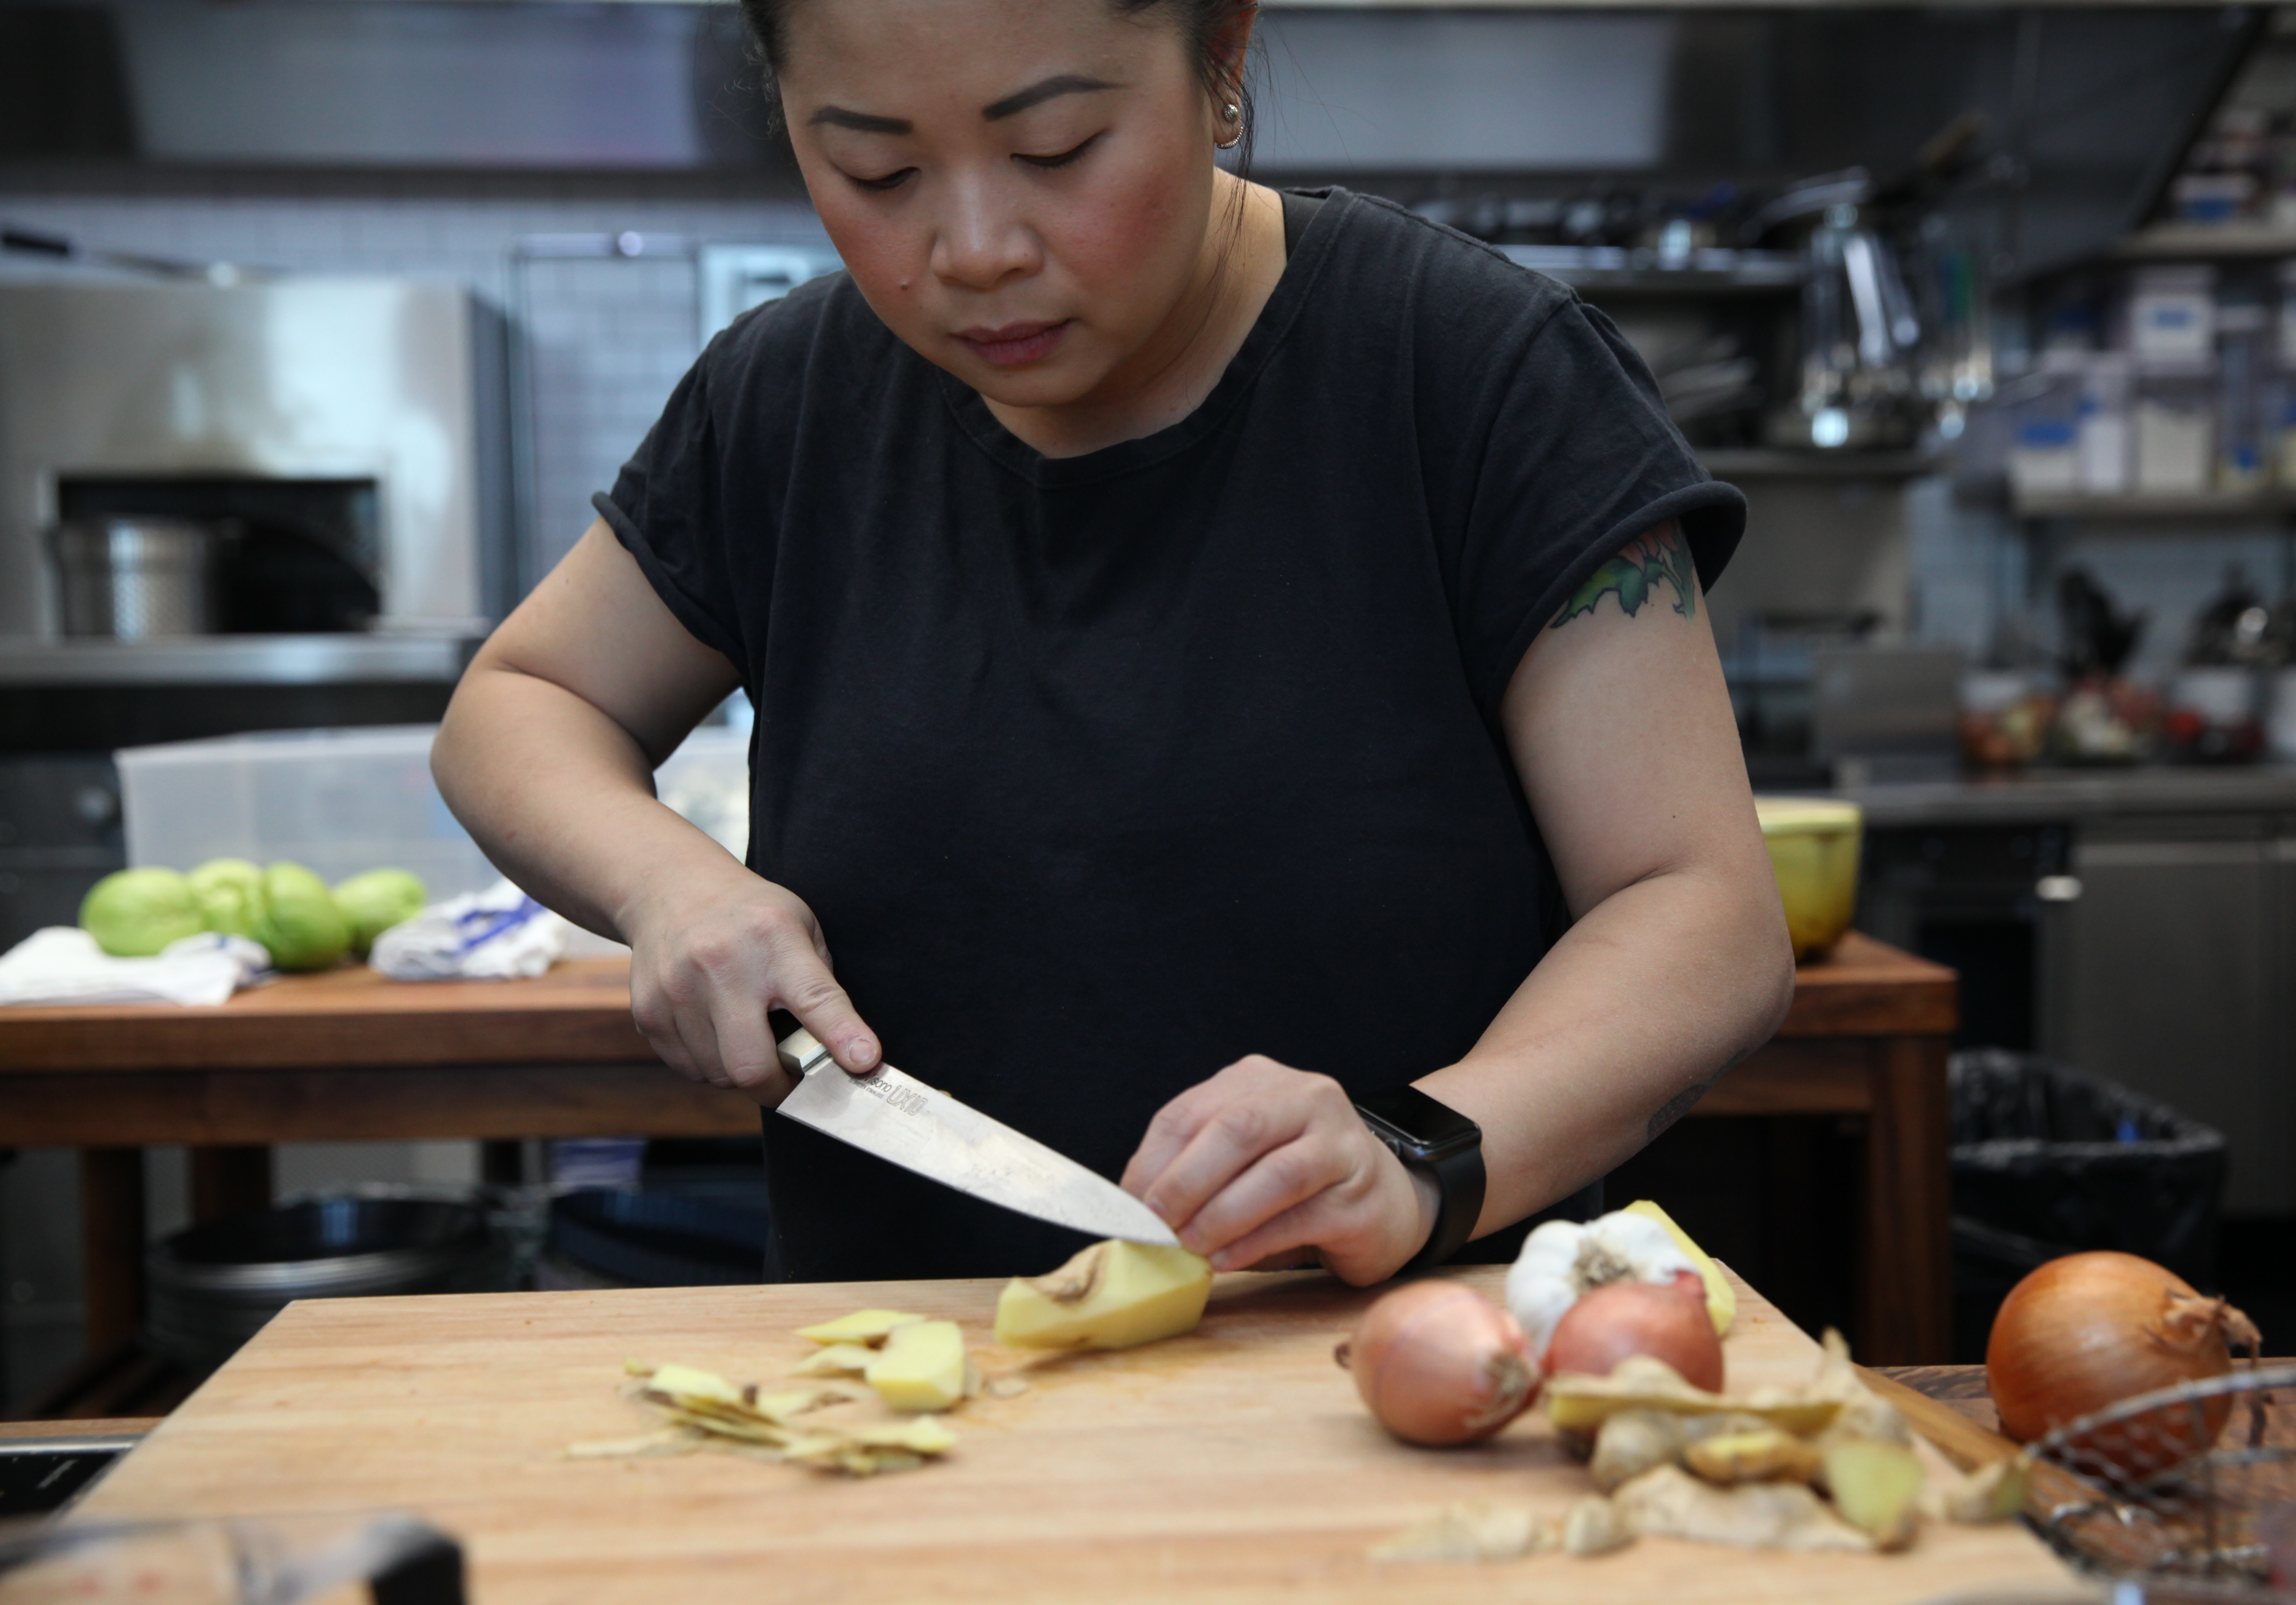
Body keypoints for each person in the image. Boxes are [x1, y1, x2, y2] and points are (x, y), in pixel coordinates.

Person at [431, 0, 1793, 1290]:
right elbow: (522, 701)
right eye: (876, 169)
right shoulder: (782, 403)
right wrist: (669, 886)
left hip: (1395, 1386)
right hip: (897, 1394)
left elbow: (1702, 912)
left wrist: (1416, 1150)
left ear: (1222, 59)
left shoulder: (1479, 376)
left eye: (1055, 149)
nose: (974, 248)